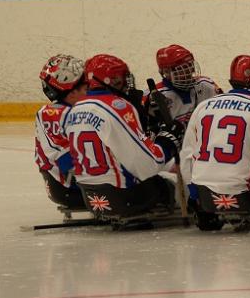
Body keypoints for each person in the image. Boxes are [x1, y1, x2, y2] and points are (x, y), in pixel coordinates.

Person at [63, 54, 183, 218]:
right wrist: (168, 141)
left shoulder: (75, 109)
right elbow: (147, 165)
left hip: (90, 197)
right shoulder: (117, 106)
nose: (126, 83)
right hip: (124, 198)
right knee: (170, 185)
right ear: (107, 81)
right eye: (119, 79)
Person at [180, 55, 250, 230]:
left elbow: (187, 155)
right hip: (246, 197)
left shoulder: (203, 107)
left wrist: (195, 194)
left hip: (206, 199)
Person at [34, 54, 88, 209]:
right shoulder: (53, 115)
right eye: (86, 86)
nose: (91, 89)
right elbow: (67, 162)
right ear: (71, 93)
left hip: (74, 185)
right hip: (70, 191)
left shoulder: (75, 108)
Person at [152, 44, 222, 128]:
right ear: (166, 72)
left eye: (190, 66)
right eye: (183, 69)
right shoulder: (154, 96)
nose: (189, 72)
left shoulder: (206, 85)